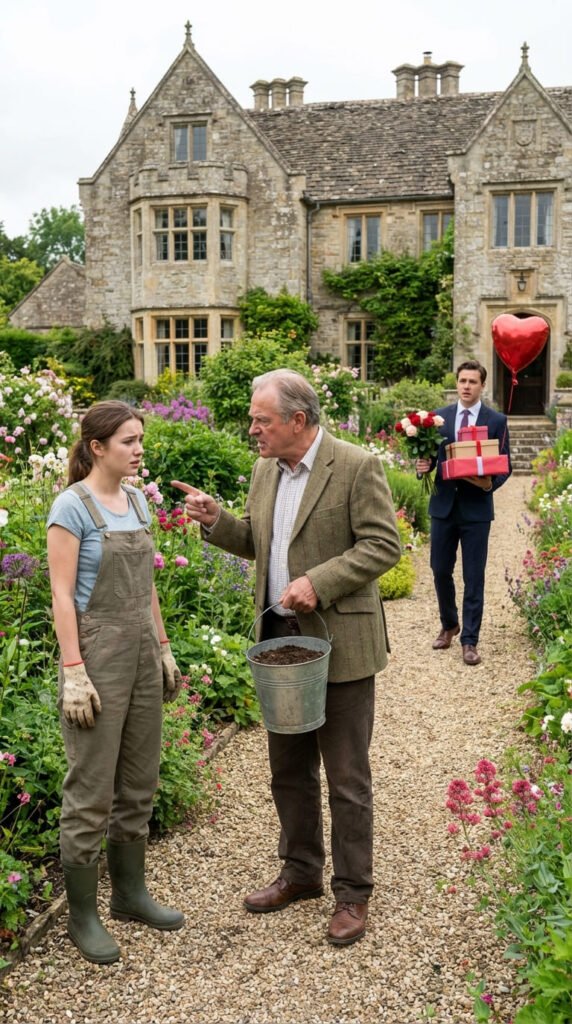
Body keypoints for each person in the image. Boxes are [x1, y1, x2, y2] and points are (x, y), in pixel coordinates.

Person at [173, 369, 401, 946]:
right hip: (280, 641)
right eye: (254, 419)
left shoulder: (354, 465)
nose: (253, 429)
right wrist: (216, 521)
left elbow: (382, 545)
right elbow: (258, 539)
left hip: (342, 645)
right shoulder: (263, 470)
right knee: (288, 771)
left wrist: (318, 583)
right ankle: (301, 873)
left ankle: (353, 894)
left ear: (298, 421)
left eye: (262, 419)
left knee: (347, 777)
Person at [47, 401, 185, 965]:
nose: (138, 448)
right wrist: (73, 670)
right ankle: (83, 914)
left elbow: (147, 585)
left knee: (139, 778)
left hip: (141, 654)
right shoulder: (71, 506)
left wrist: (165, 646)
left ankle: (130, 893)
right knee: (91, 790)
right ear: (98, 447)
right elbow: (60, 595)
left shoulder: (134, 501)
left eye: (141, 439)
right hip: (96, 657)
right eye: (128, 440)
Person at [416, 360, 511, 666]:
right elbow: (428, 458)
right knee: (439, 569)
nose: (467, 386)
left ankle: (469, 640)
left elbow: (506, 465)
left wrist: (488, 485)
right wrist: (422, 467)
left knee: (474, 576)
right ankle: (449, 624)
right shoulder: (438, 418)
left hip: (476, 509)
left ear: (482, 385)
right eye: (462, 381)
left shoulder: (496, 419)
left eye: (473, 381)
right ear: (456, 383)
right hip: (443, 506)